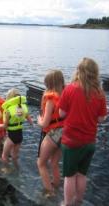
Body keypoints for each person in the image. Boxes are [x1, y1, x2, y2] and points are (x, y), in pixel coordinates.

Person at [59, 58, 107, 206]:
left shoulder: (69, 89)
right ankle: (78, 201)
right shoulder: (100, 93)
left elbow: (61, 114)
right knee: (82, 175)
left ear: (78, 71)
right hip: (89, 143)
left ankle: (67, 203)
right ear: (95, 73)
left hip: (71, 142)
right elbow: (101, 119)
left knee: (69, 176)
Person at [37, 69, 65, 198]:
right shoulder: (64, 95)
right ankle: (56, 185)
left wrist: (39, 121)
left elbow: (45, 123)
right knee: (54, 163)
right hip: (64, 133)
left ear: (48, 83)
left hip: (53, 134)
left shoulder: (50, 98)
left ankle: (49, 193)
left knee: (41, 163)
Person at [0, 88, 33, 166]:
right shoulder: (23, 107)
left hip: (11, 137)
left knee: (4, 156)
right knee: (15, 156)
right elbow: (31, 122)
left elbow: (4, 126)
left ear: (9, 98)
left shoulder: (8, 111)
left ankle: (6, 169)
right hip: (20, 136)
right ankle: (16, 169)